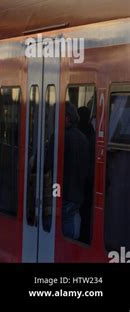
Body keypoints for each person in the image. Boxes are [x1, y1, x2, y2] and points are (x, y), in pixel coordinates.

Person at [62, 101, 90, 240]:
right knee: (72, 219)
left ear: (67, 117)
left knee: (65, 222)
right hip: (78, 192)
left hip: (64, 191)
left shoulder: (62, 137)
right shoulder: (83, 138)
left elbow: (49, 163)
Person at [77, 105, 96, 243]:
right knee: (87, 213)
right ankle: (85, 236)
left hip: (81, 181)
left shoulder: (79, 135)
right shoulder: (92, 133)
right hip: (91, 180)